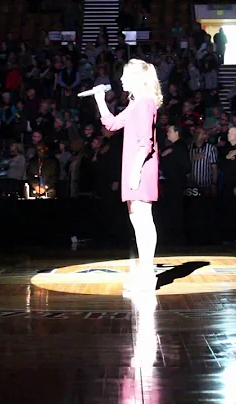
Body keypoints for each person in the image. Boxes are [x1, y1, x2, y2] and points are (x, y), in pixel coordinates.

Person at [94, 59, 162, 294]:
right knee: (137, 221)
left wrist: (135, 172)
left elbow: (146, 142)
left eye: (125, 75)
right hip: (134, 166)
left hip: (140, 167)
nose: (121, 79)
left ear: (137, 78)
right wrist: (100, 102)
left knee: (143, 220)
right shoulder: (136, 103)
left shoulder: (145, 102)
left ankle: (147, 274)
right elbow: (112, 125)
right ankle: (145, 272)